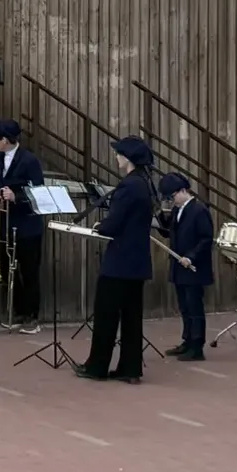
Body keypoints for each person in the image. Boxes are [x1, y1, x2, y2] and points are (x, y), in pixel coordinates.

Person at [76, 136, 155, 383]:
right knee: (132, 317)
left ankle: (97, 366)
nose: (117, 157)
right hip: (137, 260)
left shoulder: (128, 186)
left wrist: (100, 226)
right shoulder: (145, 183)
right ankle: (130, 368)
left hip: (120, 261)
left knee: (106, 315)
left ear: (128, 158)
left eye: (119, 154)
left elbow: (115, 221)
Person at [0, 120, 45, 333]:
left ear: (5, 140)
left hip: (27, 224)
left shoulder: (29, 160)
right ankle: (18, 311)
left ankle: (32, 317)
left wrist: (17, 196)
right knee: (7, 267)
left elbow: (38, 190)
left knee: (28, 271)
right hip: (6, 222)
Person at [158, 173, 215, 361]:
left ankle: (197, 346)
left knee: (194, 306)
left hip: (193, 267)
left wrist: (191, 257)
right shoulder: (177, 210)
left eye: (172, 196)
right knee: (184, 306)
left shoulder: (199, 210)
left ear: (183, 191)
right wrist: (160, 218)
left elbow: (206, 239)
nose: (171, 201)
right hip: (179, 266)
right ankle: (187, 340)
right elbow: (168, 232)